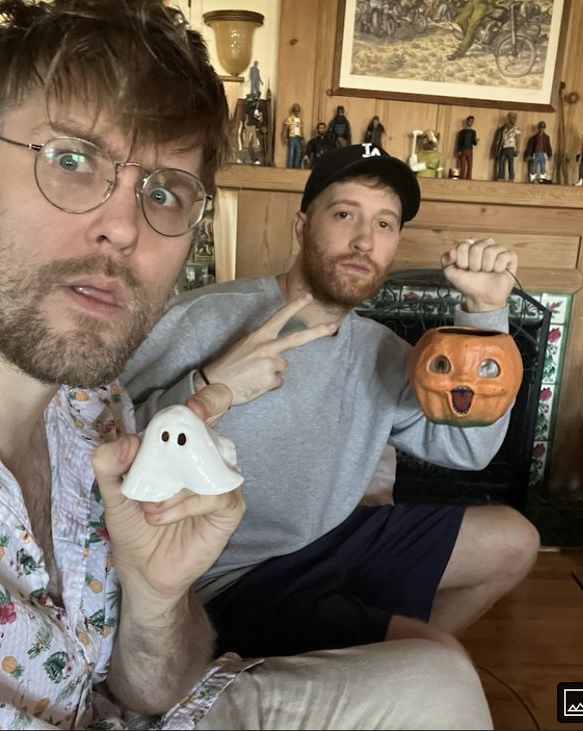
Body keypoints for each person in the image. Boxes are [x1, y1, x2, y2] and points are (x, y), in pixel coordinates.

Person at [0, 2, 495, 729]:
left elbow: (156, 683)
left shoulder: (93, 406)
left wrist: (158, 596)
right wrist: (213, 387)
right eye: (70, 160)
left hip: (177, 670)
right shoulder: (205, 320)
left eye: (162, 190)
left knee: (445, 673)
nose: (124, 225)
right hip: (254, 580)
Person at [123, 142, 539, 662]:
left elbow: (467, 450)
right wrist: (209, 387)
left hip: (331, 539)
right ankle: (392, 661)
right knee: (437, 657)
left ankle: (372, 667)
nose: (364, 240)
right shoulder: (206, 318)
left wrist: (484, 314)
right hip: (228, 574)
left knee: (515, 541)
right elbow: (90, 431)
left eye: (385, 224)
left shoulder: (384, 351)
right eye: (345, 214)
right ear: (302, 226)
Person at [492, 111, 521, 182]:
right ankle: (500, 176)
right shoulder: (504, 128)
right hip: (504, 147)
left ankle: (511, 177)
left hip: (511, 148)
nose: (514, 119)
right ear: (509, 118)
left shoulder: (516, 129)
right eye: (512, 118)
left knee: (510, 163)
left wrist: (517, 149)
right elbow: (500, 138)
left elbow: (518, 140)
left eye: (515, 118)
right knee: (501, 162)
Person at [455, 115, 478, 180]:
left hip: (470, 149)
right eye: (470, 121)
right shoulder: (462, 132)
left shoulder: (473, 132)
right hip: (463, 149)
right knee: (463, 164)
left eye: (472, 121)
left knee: (470, 164)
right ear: (467, 121)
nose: (471, 122)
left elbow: (474, 143)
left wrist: (476, 141)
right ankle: (462, 176)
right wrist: (459, 150)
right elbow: (459, 142)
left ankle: (469, 176)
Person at [283, 102, 303, 169]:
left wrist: (302, 137)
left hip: (298, 137)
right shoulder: (290, 118)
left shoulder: (300, 119)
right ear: (293, 110)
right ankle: (290, 168)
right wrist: (284, 137)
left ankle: (296, 167)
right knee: (291, 153)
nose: (297, 112)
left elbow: (300, 129)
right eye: (295, 110)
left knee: (298, 153)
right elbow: (285, 128)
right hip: (292, 137)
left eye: (298, 110)